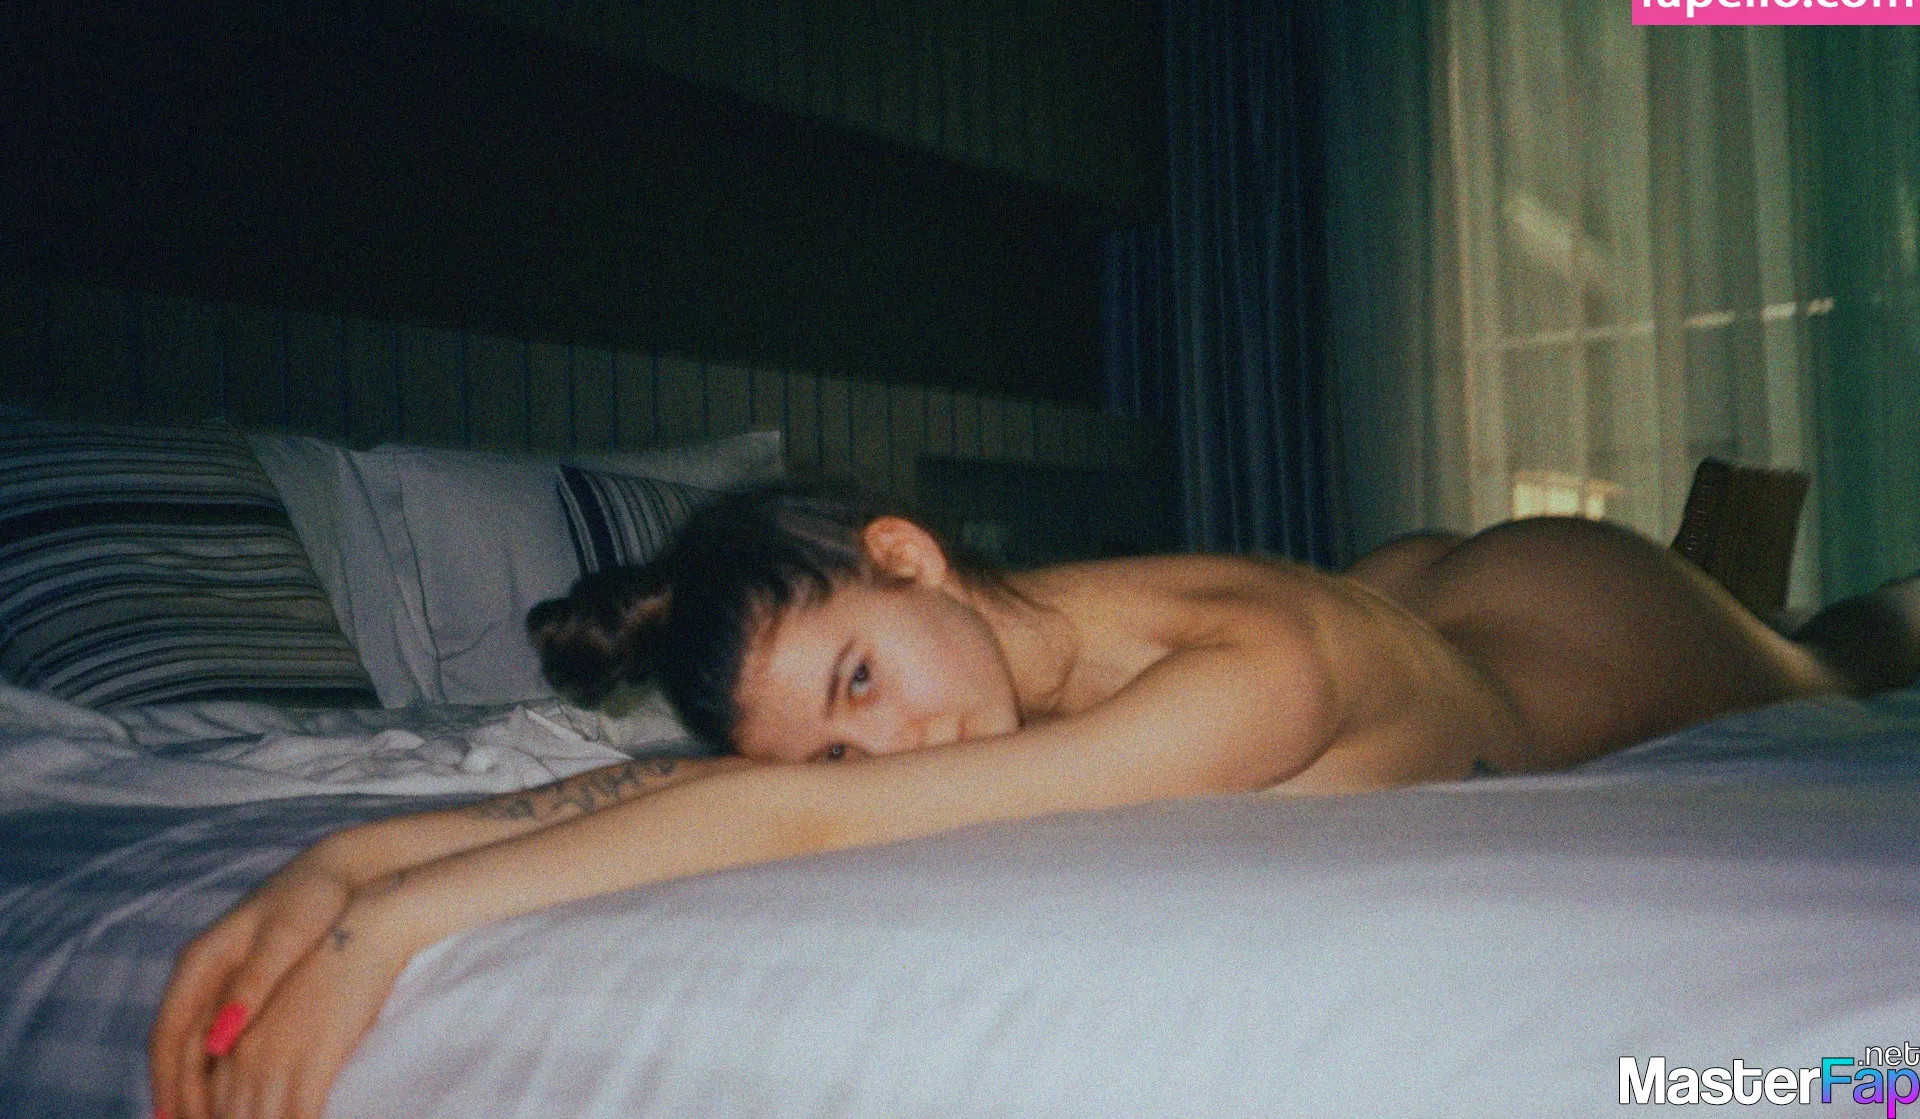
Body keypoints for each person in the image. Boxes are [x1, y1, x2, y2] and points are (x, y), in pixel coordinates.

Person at [149, 484, 1920, 1119]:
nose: (891, 751)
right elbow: (718, 789)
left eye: (861, 677)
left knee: (1844, 651)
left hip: (1583, 622)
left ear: (908, 554)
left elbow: (800, 825)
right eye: (835, 738)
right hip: (1403, 589)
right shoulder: (1000, 637)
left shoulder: (1244, 684)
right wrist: (365, 842)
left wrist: (398, 915)